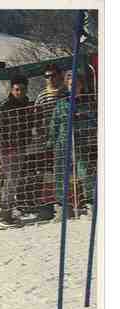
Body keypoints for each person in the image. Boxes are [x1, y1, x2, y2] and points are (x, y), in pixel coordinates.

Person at [47, 71, 97, 219]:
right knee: (61, 174)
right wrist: (51, 141)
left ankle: (90, 202)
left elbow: (94, 122)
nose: (73, 87)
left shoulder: (87, 103)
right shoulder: (61, 103)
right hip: (63, 143)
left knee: (84, 172)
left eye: (76, 84)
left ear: (81, 86)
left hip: (80, 142)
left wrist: (83, 118)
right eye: (70, 85)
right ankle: (63, 206)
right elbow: (54, 123)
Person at [0, 74, 34, 227]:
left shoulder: (26, 104)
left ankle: (2, 212)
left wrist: (27, 138)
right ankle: (3, 214)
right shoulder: (3, 106)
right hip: (7, 148)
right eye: (16, 89)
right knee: (11, 179)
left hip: (20, 146)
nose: (19, 92)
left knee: (12, 180)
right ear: (11, 89)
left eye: (22, 89)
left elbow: (29, 125)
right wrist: (2, 145)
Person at [33, 64, 68, 221]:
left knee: (70, 170)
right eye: (47, 76)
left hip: (68, 136)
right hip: (49, 140)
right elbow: (36, 118)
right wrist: (40, 134)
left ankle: (75, 201)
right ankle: (50, 204)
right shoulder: (42, 96)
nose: (50, 78)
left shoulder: (67, 92)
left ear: (59, 75)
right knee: (50, 172)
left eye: (52, 75)